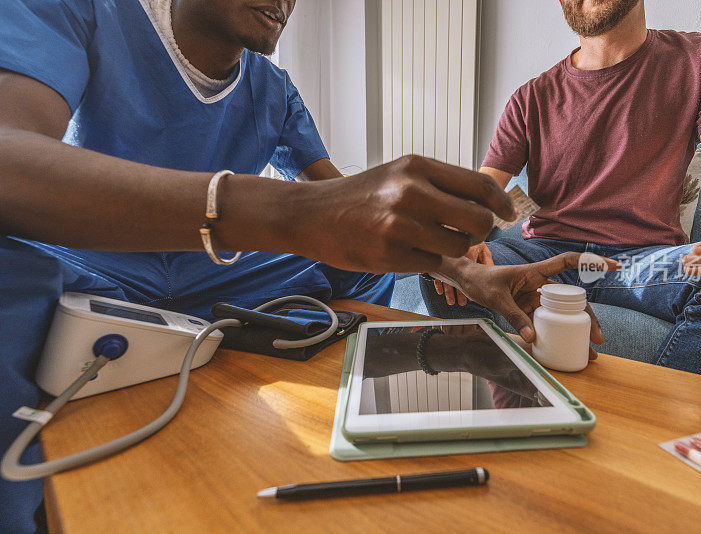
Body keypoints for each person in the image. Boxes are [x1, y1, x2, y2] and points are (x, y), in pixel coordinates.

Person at [0, 0, 543, 530]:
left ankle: (339, 404)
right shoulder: (81, 11)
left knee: (365, 270)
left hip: (215, 270)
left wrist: (465, 272)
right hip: (90, 264)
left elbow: (350, 214)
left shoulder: (273, 88)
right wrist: (283, 213)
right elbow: (10, 159)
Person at [425, 0, 701, 393]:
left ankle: (674, 436)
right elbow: (482, 193)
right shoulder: (529, 98)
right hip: (544, 256)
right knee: (445, 272)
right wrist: (461, 235)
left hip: (638, 264)